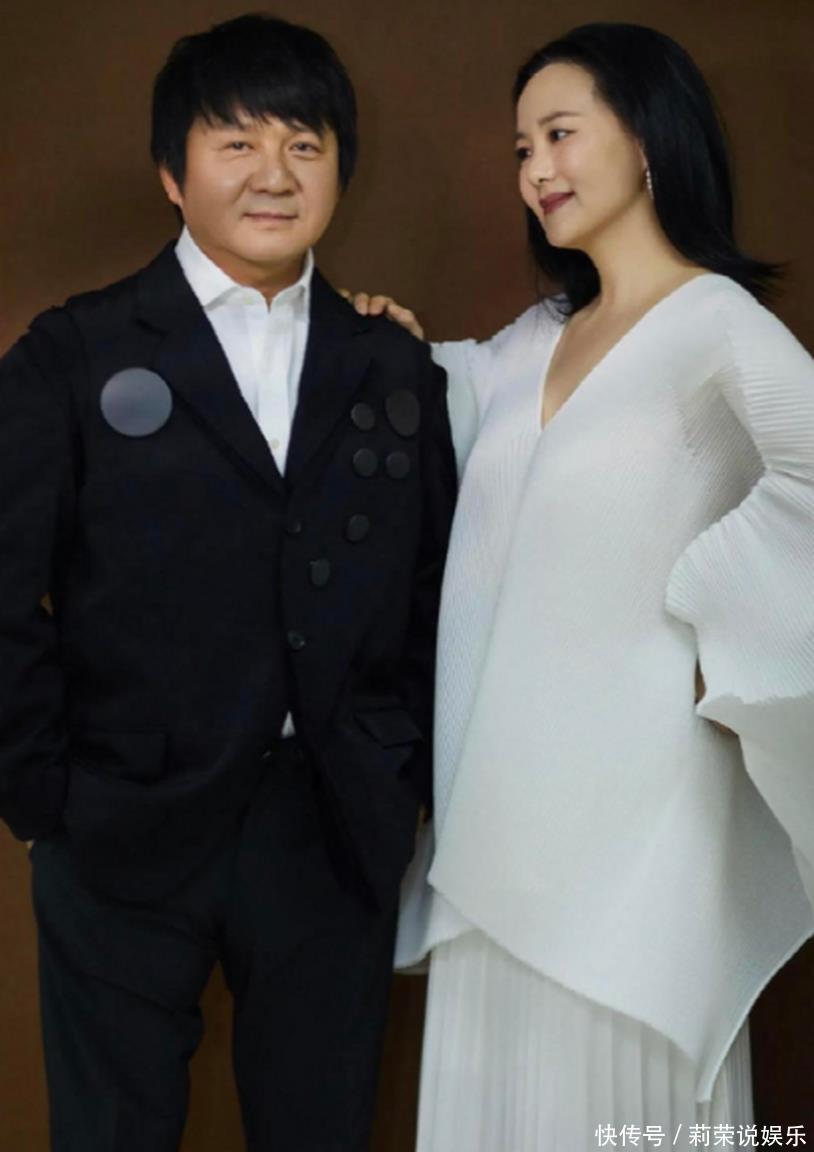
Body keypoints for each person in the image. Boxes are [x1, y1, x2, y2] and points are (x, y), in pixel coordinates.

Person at [348, 22, 814, 1151]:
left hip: (640, 814)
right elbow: (429, 402)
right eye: (522, 149)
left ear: (646, 138)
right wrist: (379, 341)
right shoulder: (530, 342)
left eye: (559, 135)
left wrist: (717, 614)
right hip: (495, 806)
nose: (535, 170)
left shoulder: (715, 324)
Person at [0, 13, 456, 1152]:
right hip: (119, 820)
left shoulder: (390, 362)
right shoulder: (75, 351)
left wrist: (399, 771)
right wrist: (43, 800)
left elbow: (430, 586)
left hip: (330, 826)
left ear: (341, 169)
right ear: (174, 171)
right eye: (237, 142)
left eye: (304, 144)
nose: (274, 173)